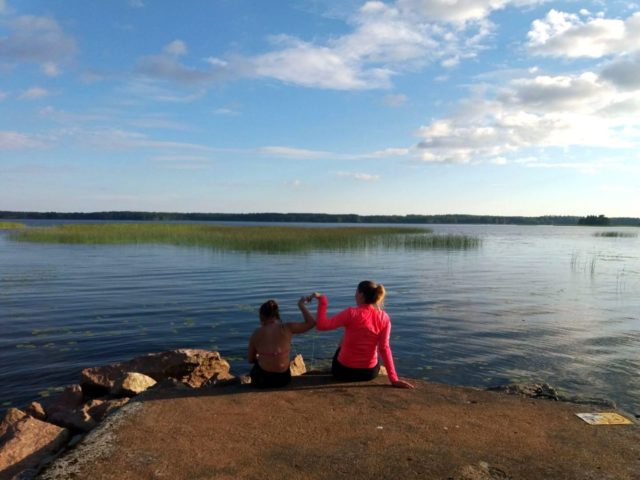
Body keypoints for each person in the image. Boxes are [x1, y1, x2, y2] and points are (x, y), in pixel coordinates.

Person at [310, 280, 414, 389]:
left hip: (343, 372)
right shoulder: (384, 318)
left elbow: (321, 326)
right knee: (354, 338)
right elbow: (384, 348)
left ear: (361, 295)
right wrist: (394, 379)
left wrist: (323, 300)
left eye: (356, 292)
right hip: (369, 373)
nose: (355, 295)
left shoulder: (351, 313)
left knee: (343, 340)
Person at [247, 297, 316, 388]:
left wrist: (262, 358)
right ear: (277, 314)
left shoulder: (256, 333)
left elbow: (250, 359)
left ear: (261, 316)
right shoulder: (287, 328)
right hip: (283, 380)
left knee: (256, 367)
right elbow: (311, 323)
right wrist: (301, 305)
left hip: (263, 381)